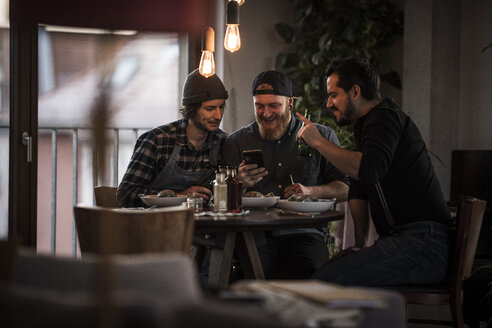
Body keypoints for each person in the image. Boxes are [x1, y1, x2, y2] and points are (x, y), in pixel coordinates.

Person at [296, 57, 451, 286]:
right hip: (408, 240)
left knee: (323, 282)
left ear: (355, 92)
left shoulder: (385, 118)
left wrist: (318, 142)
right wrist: (359, 243)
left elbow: (367, 170)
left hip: (424, 243)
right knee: (322, 273)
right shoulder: (367, 124)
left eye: (333, 94)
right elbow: (360, 185)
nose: (329, 104)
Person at [220, 70, 349, 279]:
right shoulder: (237, 142)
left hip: (305, 231)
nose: (266, 113)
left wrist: (310, 190)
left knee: (311, 273)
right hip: (254, 233)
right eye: (259, 106)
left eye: (274, 106)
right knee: (247, 275)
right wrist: (238, 183)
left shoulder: (321, 136)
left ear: (290, 103)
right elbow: (219, 200)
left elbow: (345, 188)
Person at [117, 69, 228, 207]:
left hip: (204, 226)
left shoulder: (223, 141)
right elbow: (126, 193)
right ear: (191, 109)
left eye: (221, 107)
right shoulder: (157, 141)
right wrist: (180, 195)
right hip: (157, 224)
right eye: (210, 109)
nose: (218, 115)